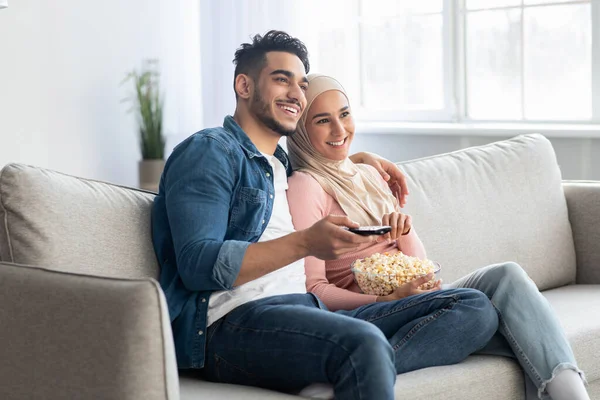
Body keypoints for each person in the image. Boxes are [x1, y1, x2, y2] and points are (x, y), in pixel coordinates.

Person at [151, 30, 499, 400]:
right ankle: (353, 363)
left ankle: (342, 370)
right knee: (362, 343)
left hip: (308, 311)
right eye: (281, 79)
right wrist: (305, 242)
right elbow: (197, 264)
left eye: (301, 84)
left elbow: (322, 160)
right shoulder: (210, 151)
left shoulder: (280, 167)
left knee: (474, 306)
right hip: (234, 323)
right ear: (244, 85)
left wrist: (359, 161)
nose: (296, 94)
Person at [286, 73, 590, 400]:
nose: (340, 129)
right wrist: (384, 300)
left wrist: (403, 231)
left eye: (344, 114)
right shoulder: (306, 186)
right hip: (373, 311)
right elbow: (314, 289)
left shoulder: (369, 174)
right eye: (322, 120)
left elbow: (422, 268)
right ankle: (354, 369)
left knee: (507, 277)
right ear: (301, 130)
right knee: (489, 316)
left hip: (418, 299)